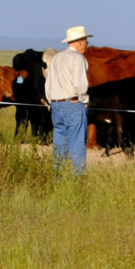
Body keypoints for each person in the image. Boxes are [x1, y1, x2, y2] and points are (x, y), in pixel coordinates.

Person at [45, 25, 92, 174]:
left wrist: (51, 101)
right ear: (79, 41)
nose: (87, 44)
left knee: (59, 143)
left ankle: (58, 175)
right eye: (86, 41)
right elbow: (81, 85)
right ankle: (77, 179)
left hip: (56, 105)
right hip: (73, 104)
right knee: (77, 143)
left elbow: (48, 83)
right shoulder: (78, 58)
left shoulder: (57, 57)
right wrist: (84, 101)